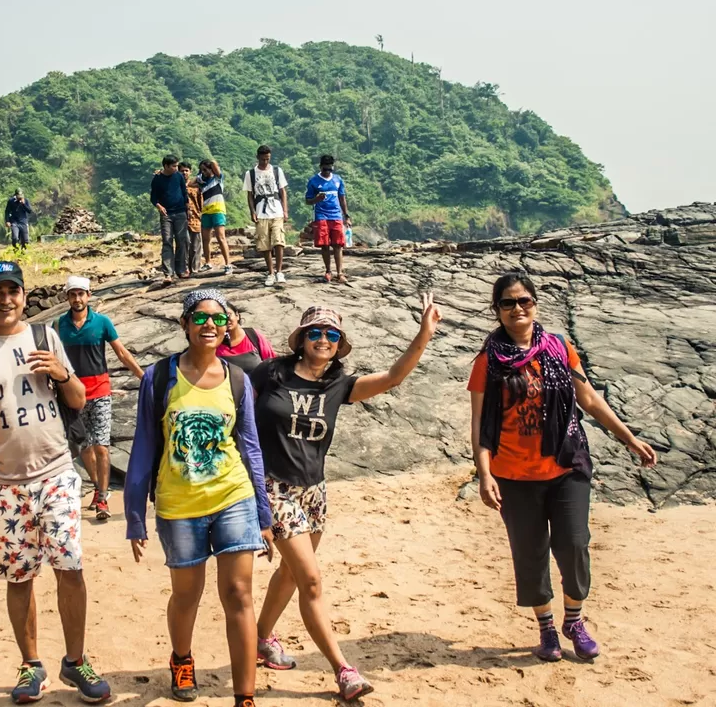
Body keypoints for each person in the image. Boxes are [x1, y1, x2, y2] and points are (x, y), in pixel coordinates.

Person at [252, 299, 442, 701]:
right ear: (301, 339)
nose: (323, 339)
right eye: (316, 333)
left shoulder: (338, 385)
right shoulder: (271, 373)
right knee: (312, 580)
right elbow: (229, 389)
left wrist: (424, 333)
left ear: (340, 344)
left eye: (331, 334)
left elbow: (392, 377)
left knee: (290, 573)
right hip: (275, 488)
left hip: (315, 492)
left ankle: (261, 638)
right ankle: (344, 669)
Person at [468, 270, 657, 663]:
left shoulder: (558, 347)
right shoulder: (487, 361)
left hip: (566, 464)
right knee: (530, 552)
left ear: (535, 304)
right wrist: (484, 474)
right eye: (508, 303)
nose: (518, 308)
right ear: (497, 311)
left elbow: (588, 399)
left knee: (574, 545)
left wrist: (630, 438)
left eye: (524, 301)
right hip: (514, 475)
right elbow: (479, 423)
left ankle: (574, 619)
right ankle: (547, 628)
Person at [0, 260, 111, 704]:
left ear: (23, 296)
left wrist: (60, 371)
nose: (6, 299)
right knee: (19, 577)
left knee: (70, 566)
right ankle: (31, 666)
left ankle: (75, 662)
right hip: (1, 484)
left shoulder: (46, 337)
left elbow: (77, 398)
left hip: (56, 472)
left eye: (13, 291)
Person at [124, 289, 274, 707]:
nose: (211, 325)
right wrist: (135, 514)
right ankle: (182, 659)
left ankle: (245, 695)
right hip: (179, 504)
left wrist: (263, 513)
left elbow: (250, 448)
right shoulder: (158, 377)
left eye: (219, 319)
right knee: (187, 594)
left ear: (229, 327)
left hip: (233, 496)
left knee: (239, 594)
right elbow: (144, 445)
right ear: (185, 324)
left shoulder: (238, 378)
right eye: (201, 318)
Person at [54, 275, 145, 521]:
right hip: (72, 395)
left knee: (101, 447)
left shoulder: (102, 322)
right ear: (67, 298)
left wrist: (142, 376)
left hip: (101, 391)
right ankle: (97, 486)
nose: (77, 298)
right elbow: (53, 358)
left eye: (81, 294)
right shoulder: (58, 325)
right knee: (84, 447)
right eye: (73, 294)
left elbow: (122, 352)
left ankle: (103, 499)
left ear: (89, 296)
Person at [244, 145, 289, 286]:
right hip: (261, 211)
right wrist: (252, 211)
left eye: (268, 159)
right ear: (257, 157)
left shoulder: (276, 171)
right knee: (264, 244)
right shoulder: (250, 174)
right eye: (263, 159)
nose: (265, 162)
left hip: (276, 209)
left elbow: (282, 192)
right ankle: (270, 272)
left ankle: (279, 271)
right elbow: (250, 195)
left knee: (278, 241)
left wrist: (285, 210)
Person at [305, 155, 351, 283]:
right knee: (324, 245)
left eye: (329, 169)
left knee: (338, 245)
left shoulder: (338, 180)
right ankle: (328, 271)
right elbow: (308, 201)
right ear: (320, 167)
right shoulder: (313, 181)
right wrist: (316, 199)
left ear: (332, 168)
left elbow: (342, 198)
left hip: (336, 215)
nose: (327, 172)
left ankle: (340, 272)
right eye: (325, 169)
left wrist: (346, 215)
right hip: (321, 215)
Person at [150, 155, 190, 284]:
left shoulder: (178, 176)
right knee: (167, 241)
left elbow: (184, 192)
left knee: (181, 241)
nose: (176, 168)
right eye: (173, 166)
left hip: (180, 212)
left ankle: (181, 270)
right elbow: (153, 197)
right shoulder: (157, 179)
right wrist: (159, 206)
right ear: (166, 166)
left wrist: (187, 207)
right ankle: (168, 273)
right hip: (166, 214)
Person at [193, 160, 233, 275]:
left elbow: (214, 163)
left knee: (221, 238)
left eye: (206, 169)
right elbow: (190, 183)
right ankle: (208, 262)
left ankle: (227, 264)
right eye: (202, 170)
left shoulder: (217, 179)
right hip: (206, 212)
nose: (204, 172)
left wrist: (209, 163)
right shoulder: (202, 183)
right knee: (205, 239)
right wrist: (199, 176)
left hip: (218, 211)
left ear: (211, 169)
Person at [216, 303, 278, 373]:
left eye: (228, 315)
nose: (226, 320)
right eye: (220, 317)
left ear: (237, 315)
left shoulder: (253, 336)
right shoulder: (213, 344)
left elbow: (272, 364)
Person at [179, 162, 204, 276]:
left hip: (195, 218)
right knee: (184, 244)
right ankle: (184, 269)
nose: (184, 172)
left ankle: (195, 269)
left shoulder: (195, 186)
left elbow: (200, 201)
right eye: (182, 170)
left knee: (196, 245)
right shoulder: (176, 185)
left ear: (190, 172)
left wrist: (201, 214)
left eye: (186, 170)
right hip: (181, 218)